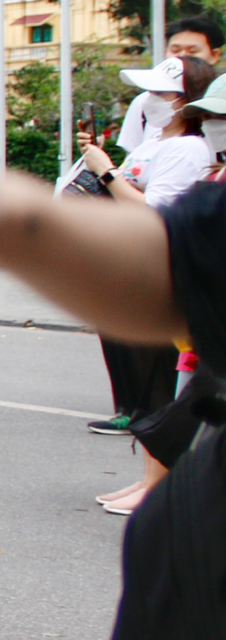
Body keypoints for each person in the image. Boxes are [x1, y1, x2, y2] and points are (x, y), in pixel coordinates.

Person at [77, 53, 219, 512]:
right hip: (137, 272)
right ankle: (153, 480)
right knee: (161, 387)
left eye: (162, 94)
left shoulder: (189, 150)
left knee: (169, 389)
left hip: (168, 277)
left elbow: (152, 211)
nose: (150, 101)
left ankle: (165, 486)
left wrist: (105, 171)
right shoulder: (156, 143)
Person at [115, 15, 222, 152]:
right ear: (165, 52)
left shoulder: (220, 102)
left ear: (215, 55)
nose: (182, 56)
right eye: (175, 50)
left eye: (193, 51)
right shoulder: (144, 102)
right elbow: (132, 162)